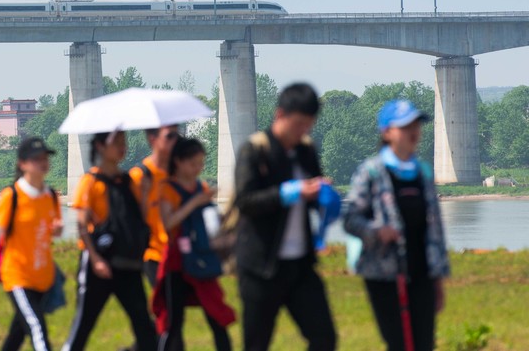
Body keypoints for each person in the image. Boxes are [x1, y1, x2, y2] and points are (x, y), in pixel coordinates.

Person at [233, 83, 336, 351]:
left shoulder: (306, 150)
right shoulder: (255, 150)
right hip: (260, 266)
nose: (303, 131)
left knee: (324, 338)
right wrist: (290, 193)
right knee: (256, 344)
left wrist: (322, 195)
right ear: (280, 115)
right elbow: (245, 202)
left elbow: (310, 196)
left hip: (300, 265)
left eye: (308, 125)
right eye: (298, 124)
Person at [343, 100, 450, 351]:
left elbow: (435, 230)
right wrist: (376, 232)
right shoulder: (370, 172)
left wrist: (438, 278)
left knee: (424, 343)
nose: (413, 131)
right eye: (405, 126)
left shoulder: (423, 172)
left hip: (422, 271)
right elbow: (350, 219)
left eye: (416, 125)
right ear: (387, 132)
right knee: (399, 343)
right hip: (384, 274)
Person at [61, 131, 157, 351]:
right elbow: (82, 225)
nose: (122, 146)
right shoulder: (90, 181)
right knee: (84, 325)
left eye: (124, 141)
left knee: (144, 327)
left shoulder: (128, 181)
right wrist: (95, 260)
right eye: (117, 142)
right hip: (100, 265)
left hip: (128, 264)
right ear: (100, 146)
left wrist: (144, 194)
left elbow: (138, 217)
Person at [0, 137, 63, 351]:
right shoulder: (13, 196)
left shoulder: (51, 196)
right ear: (22, 164)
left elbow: (51, 231)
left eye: (45, 157)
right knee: (37, 329)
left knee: (17, 334)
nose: (43, 162)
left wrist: (57, 231)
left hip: (43, 278)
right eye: (36, 158)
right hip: (18, 277)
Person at [153, 137, 235, 351]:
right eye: (193, 164)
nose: (198, 169)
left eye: (201, 163)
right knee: (173, 321)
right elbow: (168, 222)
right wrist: (194, 202)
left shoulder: (201, 186)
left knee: (217, 316)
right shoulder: (167, 189)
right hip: (176, 263)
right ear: (178, 161)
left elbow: (210, 225)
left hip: (201, 259)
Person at [129, 125, 178, 287]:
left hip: (179, 253)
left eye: (177, 135)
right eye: (169, 136)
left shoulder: (178, 174)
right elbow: (130, 219)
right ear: (153, 139)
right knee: (165, 306)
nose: (175, 141)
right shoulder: (139, 176)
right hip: (153, 254)